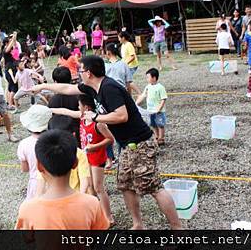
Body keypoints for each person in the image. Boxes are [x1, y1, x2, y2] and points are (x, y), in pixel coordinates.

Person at [32, 56, 182, 230]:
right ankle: (138, 224)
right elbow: (67, 88)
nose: (79, 74)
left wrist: (96, 117)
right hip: (127, 146)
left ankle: (178, 230)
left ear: (88, 72)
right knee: (125, 185)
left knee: (154, 187)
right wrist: (43, 86)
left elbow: (121, 115)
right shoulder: (91, 88)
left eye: (80, 70)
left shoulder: (109, 88)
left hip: (140, 143)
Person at [15, 130, 109, 230]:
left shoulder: (27, 209)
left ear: (39, 166)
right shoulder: (92, 204)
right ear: (75, 163)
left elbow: (28, 239)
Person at [49, 95, 115, 225]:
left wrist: (94, 147)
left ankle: (109, 217)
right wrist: (49, 110)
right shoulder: (82, 116)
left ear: (87, 107)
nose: (78, 107)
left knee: (99, 187)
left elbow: (110, 139)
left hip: (97, 158)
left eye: (80, 105)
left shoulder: (98, 123)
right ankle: (96, 215)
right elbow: (65, 111)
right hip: (87, 157)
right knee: (90, 187)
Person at [36, 116, 92, 196]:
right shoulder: (79, 154)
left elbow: (40, 187)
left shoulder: (45, 153)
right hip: (75, 196)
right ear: (73, 135)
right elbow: (85, 183)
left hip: (53, 198)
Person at [17, 105, 52, 200]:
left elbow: (25, 169)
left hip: (35, 183)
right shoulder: (54, 140)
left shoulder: (24, 144)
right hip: (55, 183)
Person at [47, 67, 80, 142]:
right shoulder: (78, 96)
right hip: (77, 130)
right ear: (70, 78)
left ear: (55, 82)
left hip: (59, 132)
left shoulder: (53, 100)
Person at [136, 68, 168, 145]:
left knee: (160, 125)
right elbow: (143, 96)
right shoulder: (148, 87)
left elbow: (163, 99)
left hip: (158, 111)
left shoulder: (160, 87)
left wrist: (159, 108)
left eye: (148, 77)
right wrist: (136, 103)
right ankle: (156, 136)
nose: (147, 79)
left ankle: (161, 138)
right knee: (153, 124)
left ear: (154, 78)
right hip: (150, 111)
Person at [3, 34, 19, 110]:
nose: (11, 43)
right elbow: (9, 48)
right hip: (10, 70)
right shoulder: (5, 50)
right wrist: (12, 38)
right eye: (9, 42)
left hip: (11, 69)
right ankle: (10, 104)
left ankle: (11, 102)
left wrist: (14, 37)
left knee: (11, 87)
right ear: (6, 43)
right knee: (13, 87)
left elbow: (14, 43)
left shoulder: (10, 49)